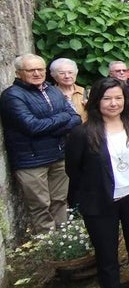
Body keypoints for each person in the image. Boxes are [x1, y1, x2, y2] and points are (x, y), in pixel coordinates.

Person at [65, 77, 129, 288]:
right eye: (107, 99)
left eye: (118, 98)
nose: (114, 103)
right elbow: (73, 170)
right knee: (107, 257)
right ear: (96, 101)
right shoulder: (82, 133)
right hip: (100, 201)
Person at [0, 54, 81, 234]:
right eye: (31, 70)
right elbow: (32, 127)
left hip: (58, 155)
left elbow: (75, 118)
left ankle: (64, 238)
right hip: (31, 161)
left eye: (40, 69)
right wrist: (61, 119)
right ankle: (48, 243)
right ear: (19, 72)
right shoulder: (12, 96)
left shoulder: (53, 91)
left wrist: (52, 124)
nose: (37, 73)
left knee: (60, 200)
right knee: (40, 206)